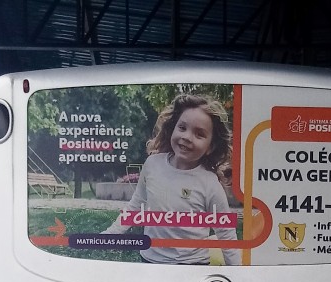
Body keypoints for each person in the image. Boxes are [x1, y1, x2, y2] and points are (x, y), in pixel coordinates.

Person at [103, 93, 240, 265]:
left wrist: (238, 274)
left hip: (192, 266)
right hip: (150, 260)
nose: (187, 137)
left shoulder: (210, 184)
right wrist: (112, 233)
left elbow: (226, 234)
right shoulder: (153, 164)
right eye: (182, 128)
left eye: (199, 134)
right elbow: (137, 205)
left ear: (210, 147)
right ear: (172, 128)